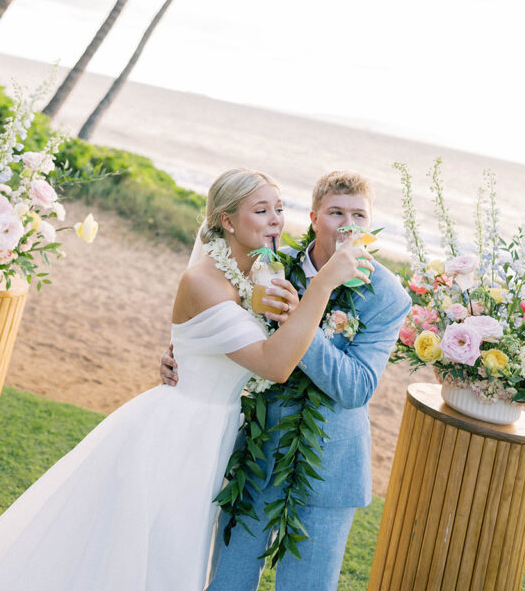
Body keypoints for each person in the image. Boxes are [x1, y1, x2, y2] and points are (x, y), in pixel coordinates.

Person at [0, 169, 370, 591]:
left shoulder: (260, 271)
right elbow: (273, 363)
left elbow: (225, 343)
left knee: (168, 547)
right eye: (261, 210)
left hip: (216, 433)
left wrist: (184, 352)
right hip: (178, 432)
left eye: (279, 209)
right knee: (147, 549)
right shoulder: (204, 280)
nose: (275, 220)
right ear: (227, 222)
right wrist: (324, 285)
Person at [161, 170, 411, 591]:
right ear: (314, 217)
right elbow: (219, 319)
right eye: (336, 212)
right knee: (227, 580)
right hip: (256, 455)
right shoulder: (270, 264)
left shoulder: (387, 295)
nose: (348, 224)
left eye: (359, 215)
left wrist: (299, 321)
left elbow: (356, 388)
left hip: (330, 469)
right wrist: (181, 353)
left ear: (370, 224)